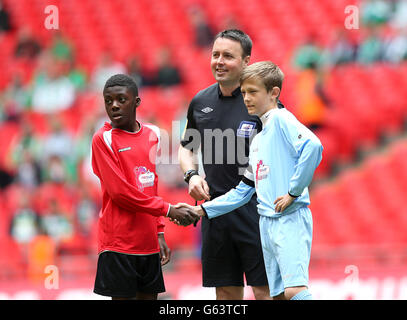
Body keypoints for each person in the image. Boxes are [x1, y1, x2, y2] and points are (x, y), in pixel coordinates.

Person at [193, 61, 323, 300]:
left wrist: (293, 192)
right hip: (266, 222)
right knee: (278, 295)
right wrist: (202, 211)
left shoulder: (281, 119)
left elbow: (313, 146)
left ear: (274, 93)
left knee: (295, 290)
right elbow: (243, 191)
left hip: (289, 218)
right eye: (243, 93)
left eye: (253, 92)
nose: (246, 98)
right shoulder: (258, 140)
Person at [178, 29, 272, 300]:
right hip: (215, 211)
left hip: (257, 210)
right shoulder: (200, 102)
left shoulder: (263, 101)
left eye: (228, 56)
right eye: (215, 54)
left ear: (246, 61)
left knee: (265, 292)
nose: (219, 61)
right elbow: (186, 148)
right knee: (226, 294)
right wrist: (192, 175)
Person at [91, 74, 198, 300]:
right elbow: (120, 194)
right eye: (108, 101)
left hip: (148, 242)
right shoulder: (103, 139)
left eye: (121, 99)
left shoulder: (153, 134)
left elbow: (151, 184)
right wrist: (168, 210)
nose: (114, 105)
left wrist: (159, 231)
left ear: (137, 102)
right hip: (118, 243)